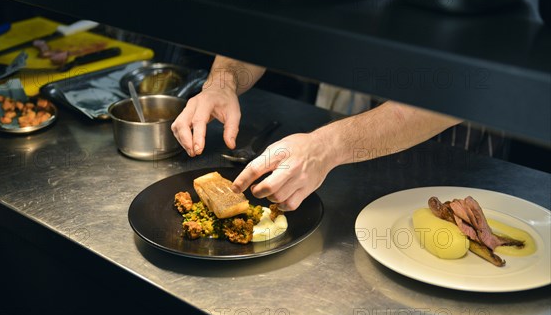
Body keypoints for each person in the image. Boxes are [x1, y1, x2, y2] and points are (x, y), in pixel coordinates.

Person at [171, 55, 462, 211]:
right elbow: (271, 14)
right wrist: (224, 79)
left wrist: (328, 146)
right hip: (349, 113)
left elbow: (455, 93)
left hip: (445, 149)